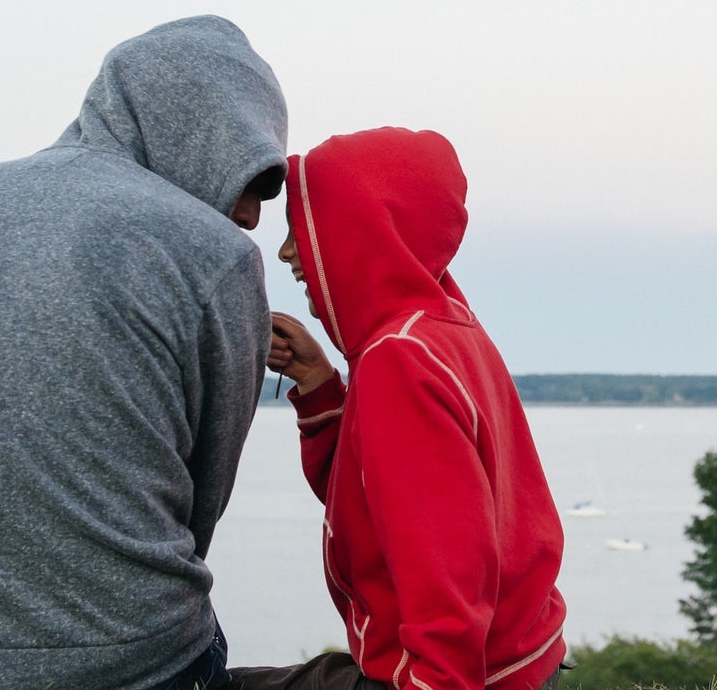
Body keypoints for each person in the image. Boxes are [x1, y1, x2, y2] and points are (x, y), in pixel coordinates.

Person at [0, 15, 288, 690]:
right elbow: (202, 496)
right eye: (256, 175)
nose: (252, 212)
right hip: (119, 666)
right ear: (205, 131)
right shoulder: (215, 254)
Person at [240, 127, 569, 690]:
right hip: (524, 659)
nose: (287, 251)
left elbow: (447, 564)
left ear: (358, 230)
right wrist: (322, 387)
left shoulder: (399, 360)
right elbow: (379, 505)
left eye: (301, 227)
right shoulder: (446, 330)